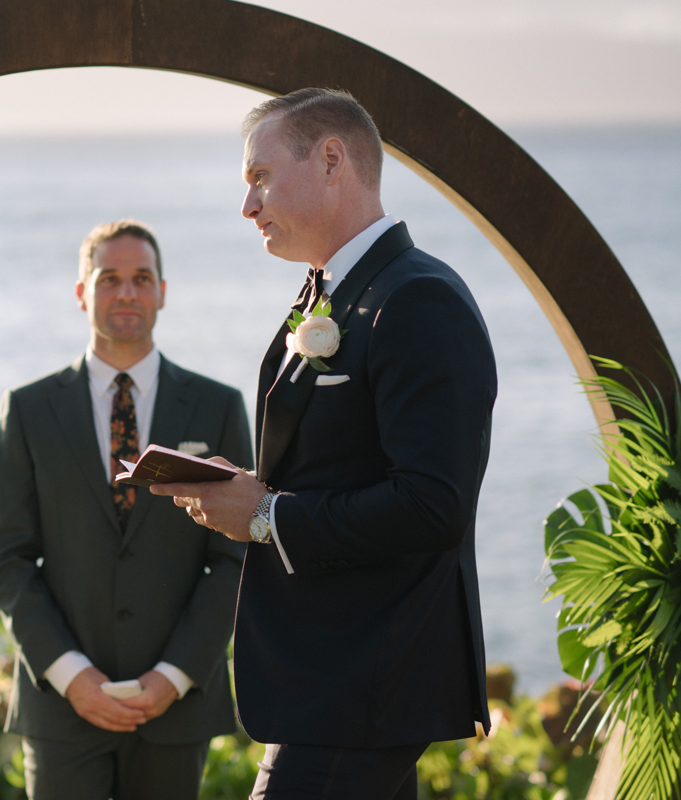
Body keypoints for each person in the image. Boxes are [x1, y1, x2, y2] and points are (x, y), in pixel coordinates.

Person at [151, 89, 497, 799]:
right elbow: (336, 463)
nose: (248, 206)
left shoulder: (417, 299)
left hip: (371, 676)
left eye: (259, 178)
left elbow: (435, 504)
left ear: (332, 159)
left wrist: (265, 515)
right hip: (330, 676)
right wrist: (245, 489)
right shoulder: (331, 295)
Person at [0, 220, 253, 800]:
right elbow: (8, 559)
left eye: (141, 279)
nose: (126, 293)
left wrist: (174, 675)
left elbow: (234, 559)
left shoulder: (218, 407)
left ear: (162, 290)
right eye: (109, 279)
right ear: (82, 292)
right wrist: (71, 676)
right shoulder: (27, 410)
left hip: (176, 709)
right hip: (61, 708)